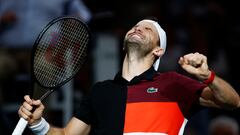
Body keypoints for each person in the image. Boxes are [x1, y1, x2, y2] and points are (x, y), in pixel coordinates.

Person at [18, 17, 240, 135]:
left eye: (147, 29)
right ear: (124, 44)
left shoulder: (172, 83)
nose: (138, 29)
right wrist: (38, 124)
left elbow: (232, 102)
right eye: (135, 26)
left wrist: (208, 76)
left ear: (158, 50)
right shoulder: (100, 91)